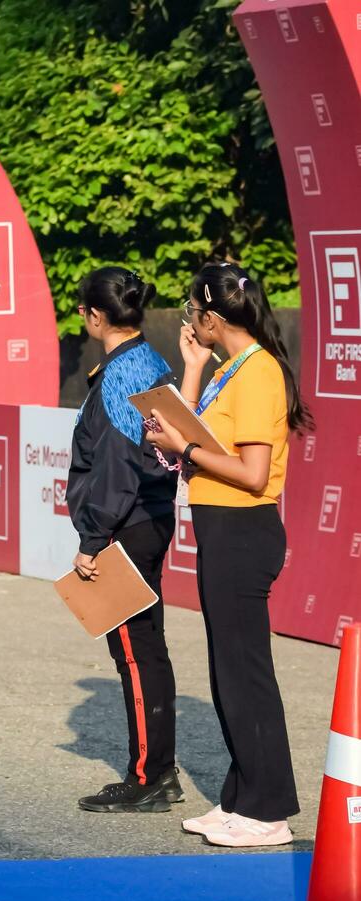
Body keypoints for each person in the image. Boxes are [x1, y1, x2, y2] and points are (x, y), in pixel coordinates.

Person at [146, 262, 310, 847]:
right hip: (222, 530)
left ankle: (268, 810)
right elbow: (187, 434)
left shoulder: (259, 372)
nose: (190, 321)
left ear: (214, 317)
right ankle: (241, 796)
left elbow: (252, 470)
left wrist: (185, 443)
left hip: (245, 531)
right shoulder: (230, 367)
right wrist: (191, 371)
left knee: (246, 674)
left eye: (194, 312)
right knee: (227, 671)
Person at [66, 268, 183, 813]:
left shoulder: (119, 374)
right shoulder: (151, 360)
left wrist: (93, 540)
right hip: (150, 519)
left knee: (136, 654)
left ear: (95, 316)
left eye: (82, 311)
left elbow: (115, 469)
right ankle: (157, 770)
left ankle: (149, 777)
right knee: (147, 649)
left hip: (128, 524)